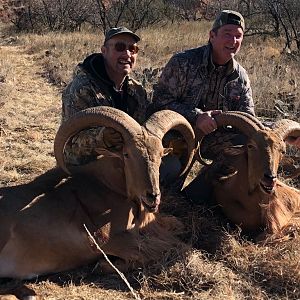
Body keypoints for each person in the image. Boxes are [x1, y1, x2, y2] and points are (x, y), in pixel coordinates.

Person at [61, 26, 149, 165]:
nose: (127, 54)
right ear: (104, 51)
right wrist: (102, 138)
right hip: (89, 167)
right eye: (119, 47)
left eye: (133, 49)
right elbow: (68, 147)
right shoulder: (81, 89)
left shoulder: (138, 90)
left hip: (128, 162)